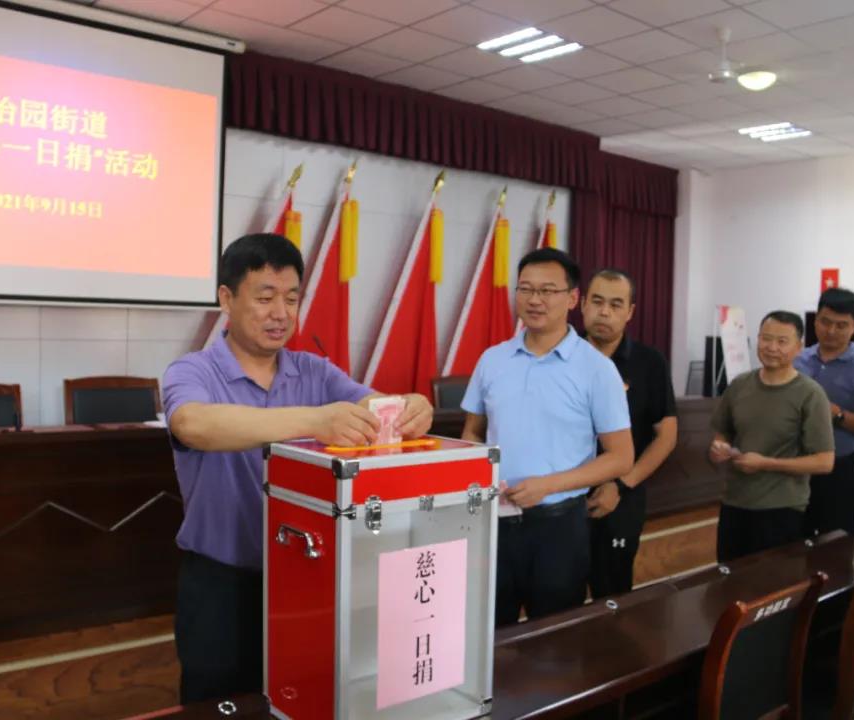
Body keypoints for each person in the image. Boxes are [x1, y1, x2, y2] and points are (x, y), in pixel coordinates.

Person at [162, 234, 433, 703]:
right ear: (226, 298)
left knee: (298, 695)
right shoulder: (192, 371)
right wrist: (314, 420)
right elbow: (193, 424)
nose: (281, 313)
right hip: (220, 582)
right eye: (265, 297)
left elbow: (376, 407)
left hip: (306, 577)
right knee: (215, 700)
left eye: (291, 299)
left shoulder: (314, 372)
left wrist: (412, 406)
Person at [461, 248, 633, 626]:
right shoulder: (492, 360)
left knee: (554, 640)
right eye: (525, 289)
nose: (534, 300)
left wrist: (548, 485)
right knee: (489, 633)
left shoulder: (597, 369)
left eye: (548, 290)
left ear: (572, 299)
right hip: (494, 521)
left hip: (559, 528)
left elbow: (621, 457)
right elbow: (472, 431)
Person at [580, 268, 677, 598]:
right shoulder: (560, 357)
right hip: (562, 499)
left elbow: (666, 435)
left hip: (623, 497)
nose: (604, 312)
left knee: (614, 597)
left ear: (630, 311)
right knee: (561, 599)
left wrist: (620, 485)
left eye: (616, 304)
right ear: (582, 304)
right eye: (597, 302)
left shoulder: (650, 362)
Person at [709, 311, 834, 562]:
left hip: (781, 509)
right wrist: (719, 446)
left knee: (771, 582)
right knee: (728, 578)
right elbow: (723, 431)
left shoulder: (810, 394)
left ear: (799, 347)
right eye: (766, 339)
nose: (772, 347)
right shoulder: (740, 385)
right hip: (734, 503)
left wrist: (766, 463)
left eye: (782, 341)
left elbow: (824, 461)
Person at [794, 288, 854, 537]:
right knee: (791, 544)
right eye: (825, 322)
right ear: (815, 320)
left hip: (839, 472)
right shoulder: (797, 360)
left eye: (841, 325)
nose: (831, 331)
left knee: (836, 547)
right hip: (794, 467)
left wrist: (836, 414)